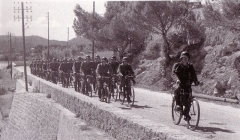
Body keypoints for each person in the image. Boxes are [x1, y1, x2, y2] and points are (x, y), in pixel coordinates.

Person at [172, 51, 199, 121]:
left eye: (186, 58)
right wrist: (177, 80)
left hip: (187, 84)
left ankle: (186, 114)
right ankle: (178, 105)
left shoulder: (190, 66)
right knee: (177, 90)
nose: (185, 59)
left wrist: (196, 81)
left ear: (188, 59)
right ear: (181, 58)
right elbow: (173, 74)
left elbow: (193, 75)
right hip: (179, 83)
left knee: (189, 99)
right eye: (184, 58)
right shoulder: (177, 65)